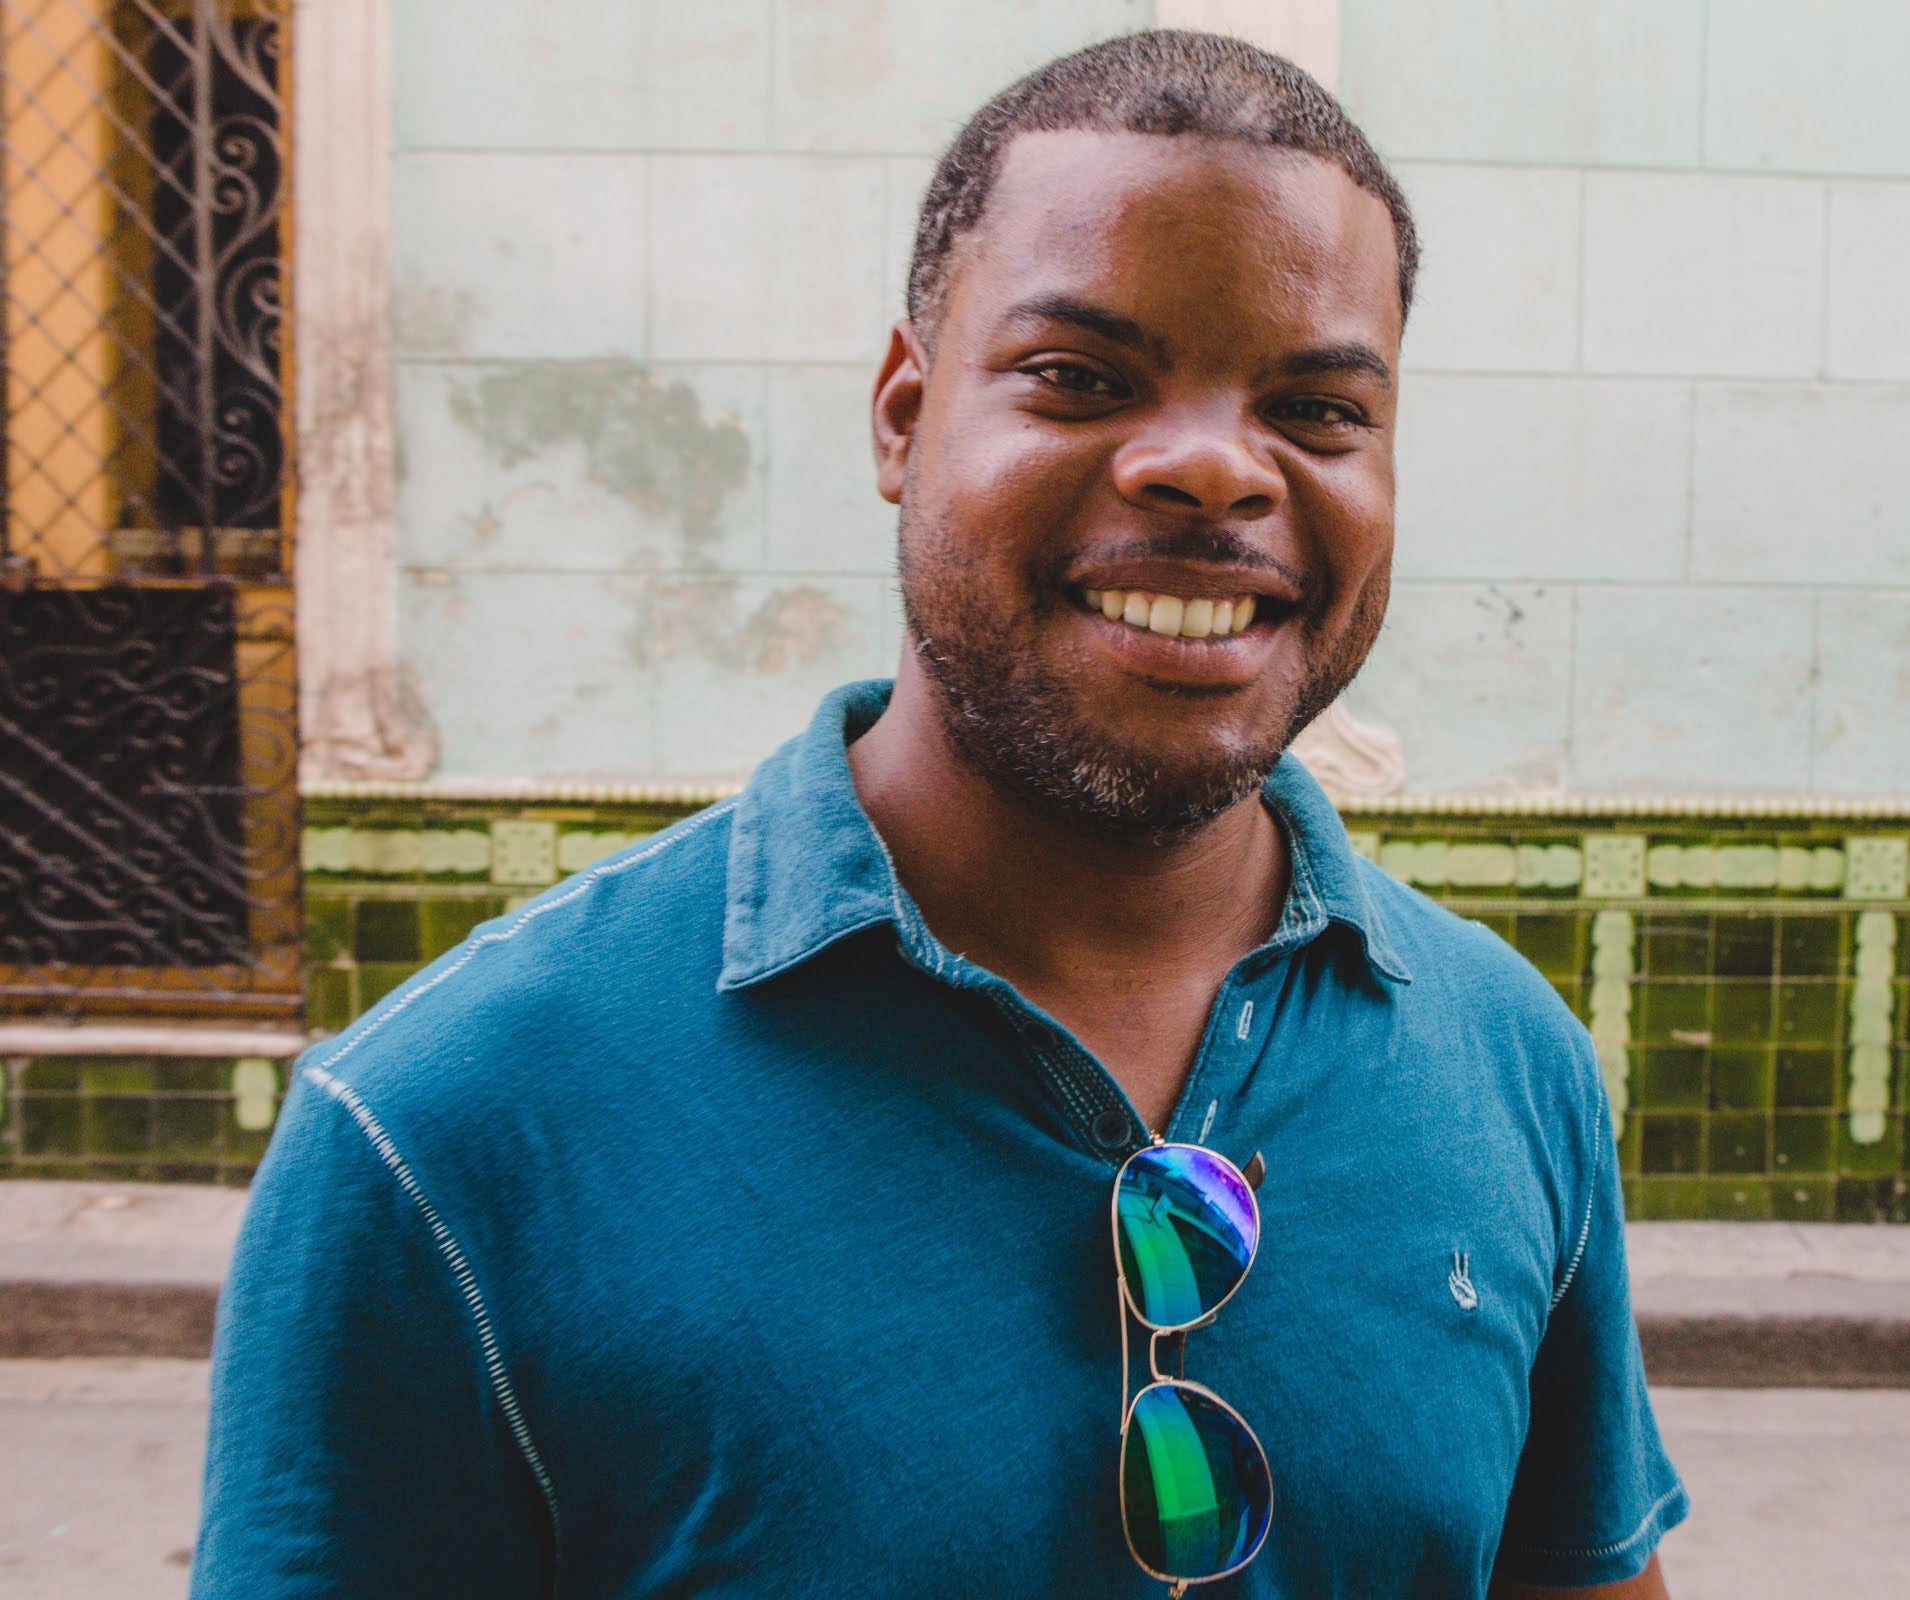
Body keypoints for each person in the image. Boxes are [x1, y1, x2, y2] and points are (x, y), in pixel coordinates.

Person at [194, 29, 1685, 1598]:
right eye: (1080, 378)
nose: (1207, 468)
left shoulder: (1507, 1060)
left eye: (1319, 410)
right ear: (903, 416)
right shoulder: (442, 1136)